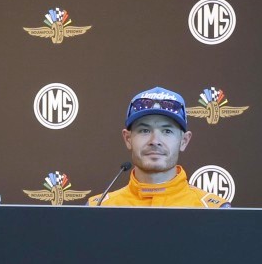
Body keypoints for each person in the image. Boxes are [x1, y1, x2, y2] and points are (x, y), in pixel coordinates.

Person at [90, 87, 226, 207]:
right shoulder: (98, 208)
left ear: (184, 141)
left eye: (167, 131)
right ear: (128, 139)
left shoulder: (214, 210)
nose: (155, 141)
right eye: (144, 130)